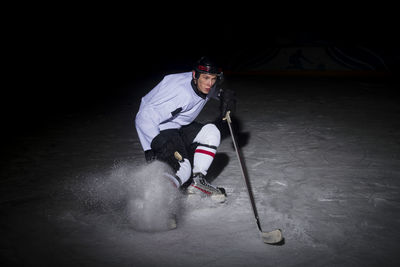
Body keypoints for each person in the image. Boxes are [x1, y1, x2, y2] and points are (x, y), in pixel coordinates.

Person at [135, 56, 235, 199]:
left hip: (179, 125)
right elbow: (143, 117)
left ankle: (198, 182)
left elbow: (210, 89)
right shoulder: (180, 94)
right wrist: (152, 146)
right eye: (206, 78)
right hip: (161, 129)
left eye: (213, 79)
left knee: (211, 132)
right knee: (184, 169)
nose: (210, 83)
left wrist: (223, 95)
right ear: (195, 75)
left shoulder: (198, 81)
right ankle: (161, 201)